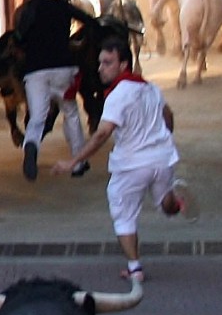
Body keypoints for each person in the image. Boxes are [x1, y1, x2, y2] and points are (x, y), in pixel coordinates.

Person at [51, 37, 198, 282]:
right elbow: (168, 114)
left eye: (107, 63)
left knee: (123, 215)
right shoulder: (151, 88)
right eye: (100, 63)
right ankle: (177, 202)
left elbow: (101, 134)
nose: (100, 68)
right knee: (165, 206)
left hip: (131, 165)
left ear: (123, 65)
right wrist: (161, 138)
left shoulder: (117, 95)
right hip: (163, 158)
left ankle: (134, 268)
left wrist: (73, 161)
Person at [14, 0, 96, 182]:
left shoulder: (25, 12)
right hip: (63, 69)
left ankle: (31, 146)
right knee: (70, 112)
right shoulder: (61, 6)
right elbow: (89, 20)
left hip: (35, 73)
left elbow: (19, 38)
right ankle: (78, 163)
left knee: (38, 117)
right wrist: (79, 40)